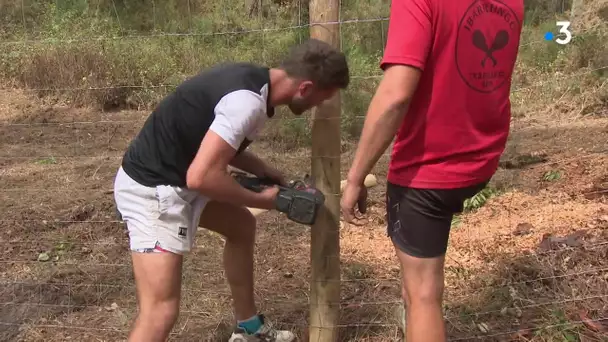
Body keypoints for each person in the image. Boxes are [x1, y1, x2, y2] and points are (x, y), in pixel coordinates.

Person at [113, 38, 349, 342]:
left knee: (240, 225)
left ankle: (248, 328)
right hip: (152, 190)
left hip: (177, 178)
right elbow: (202, 177)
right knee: (161, 311)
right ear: (304, 88)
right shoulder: (246, 103)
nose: (317, 106)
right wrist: (266, 200)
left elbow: (218, 143)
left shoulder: (254, 83)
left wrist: (265, 171)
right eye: (320, 99)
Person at [340, 0, 524, 341]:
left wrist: (354, 178)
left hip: (427, 170)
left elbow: (396, 95)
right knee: (423, 290)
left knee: (421, 295)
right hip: (481, 156)